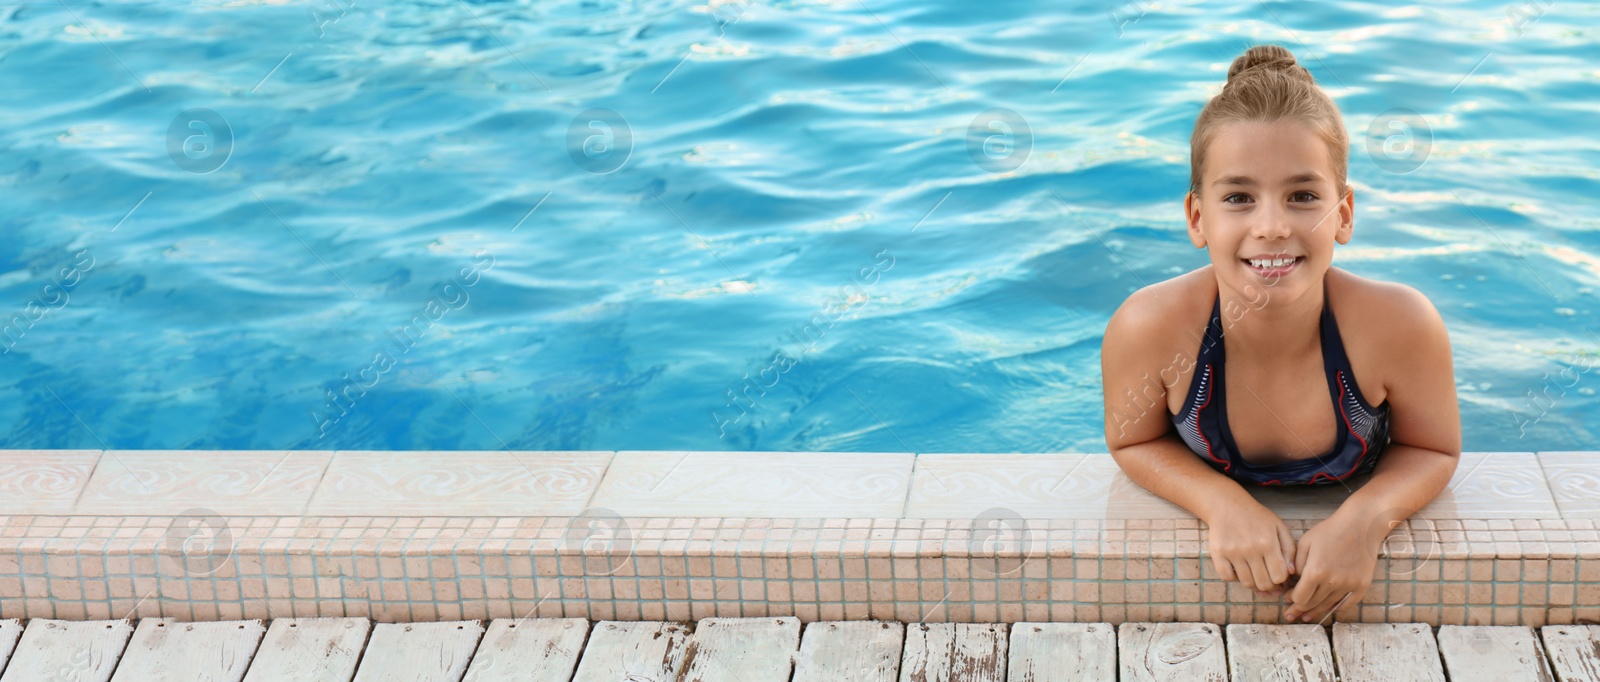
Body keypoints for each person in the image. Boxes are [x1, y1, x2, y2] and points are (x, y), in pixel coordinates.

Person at [1099, 44, 1461, 624]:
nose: (1272, 226)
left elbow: (1432, 448)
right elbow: (1133, 441)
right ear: (1198, 217)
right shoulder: (1149, 329)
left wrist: (1366, 520)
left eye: (1303, 196)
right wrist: (1219, 503)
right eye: (1239, 197)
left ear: (1342, 214)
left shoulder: (1398, 326)